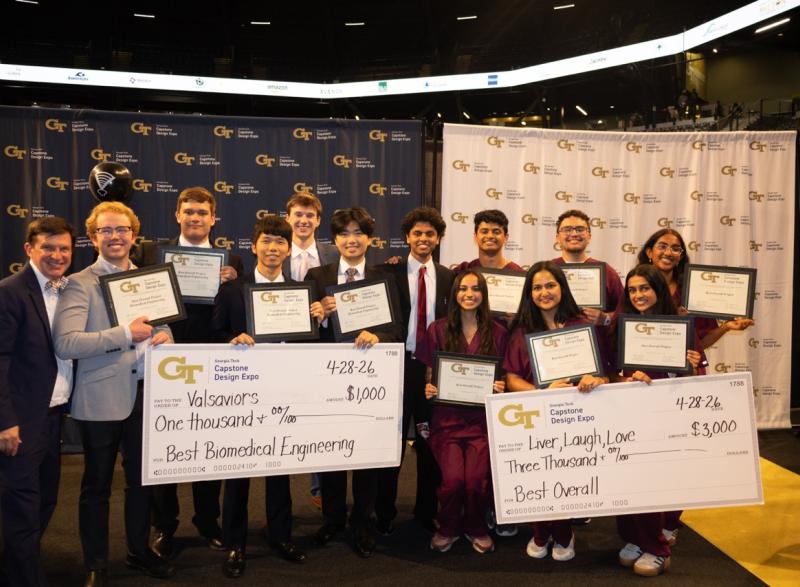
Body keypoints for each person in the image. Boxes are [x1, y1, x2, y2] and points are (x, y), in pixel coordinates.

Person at [53, 202, 174, 585]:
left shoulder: (152, 280)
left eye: (122, 230)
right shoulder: (78, 282)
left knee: (141, 483)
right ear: (93, 238)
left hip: (147, 396)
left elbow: (165, 331)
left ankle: (139, 551)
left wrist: (166, 336)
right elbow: (67, 342)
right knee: (96, 486)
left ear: (134, 236)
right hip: (101, 398)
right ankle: (96, 563)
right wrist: (124, 335)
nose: (115, 237)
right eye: (106, 231)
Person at [131, 186, 243, 557]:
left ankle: (208, 521)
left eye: (202, 213)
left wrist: (233, 280)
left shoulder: (231, 263)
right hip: (165, 362)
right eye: (189, 212)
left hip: (211, 363)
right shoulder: (150, 253)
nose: (195, 218)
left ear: (214, 219)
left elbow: (235, 315)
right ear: (177, 215)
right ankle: (164, 527)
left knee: (208, 447)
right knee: (165, 448)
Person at [212, 215, 324, 578]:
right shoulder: (232, 290)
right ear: (254, 245)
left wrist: (318, 320)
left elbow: (310, 343)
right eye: (267, 241)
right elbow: (214, 335)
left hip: (284, 390)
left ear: (288, 248)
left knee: (280, 467)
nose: (273, 248)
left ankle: (280, 535)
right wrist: (231, 341)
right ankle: (235, 543)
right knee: (239, 470)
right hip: (242, 391)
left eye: (280, 242)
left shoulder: (301, 292)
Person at [305, 207, 403, 558]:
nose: (352, 239)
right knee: (330, 452)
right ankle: (332, 518)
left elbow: (396, 328)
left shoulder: (385, 277)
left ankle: (363, 521)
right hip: (328, 381)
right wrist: (317, 315)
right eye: (344, 234)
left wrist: (379, 337)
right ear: (335, 241)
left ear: (369, 239)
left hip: (370, 383)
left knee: (366, 455)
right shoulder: (317, 276)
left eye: (358, 233)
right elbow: (301, 331)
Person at [504, 261, 608, 562]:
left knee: (566, 473)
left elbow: (603, 373)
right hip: (535, 414)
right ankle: (541, 530)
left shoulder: (582, 326)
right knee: (539, 475)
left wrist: (594, 379)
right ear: (529, 293)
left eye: (550, 285)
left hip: (577, 415)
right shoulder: (522, 331)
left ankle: (561, 532)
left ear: (562, 287)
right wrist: (541, 392)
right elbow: (512, 379)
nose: (544, 292)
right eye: (537, 287)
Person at [614, 264, 703, 577]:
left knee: (653, 485)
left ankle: (657, 548)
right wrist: (623, 380)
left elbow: (698, 377)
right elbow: (611, 371)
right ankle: (635, 538)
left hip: (665, 417)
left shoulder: (680, 325)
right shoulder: (619, 326)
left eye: (645, 288)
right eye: (633, 290)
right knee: (626, 484)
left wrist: (690, 366)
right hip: (626, 416)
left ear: (658, 290)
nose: (639, 295)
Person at [0, 217, 74, 587]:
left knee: (45, 500)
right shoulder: (9, 291)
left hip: (54, 415)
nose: (57, 255)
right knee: (22, 507)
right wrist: (5, 421)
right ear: (29, 249)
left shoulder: (70, 290)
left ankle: (19, 564)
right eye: (48, 247)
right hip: (21, 420)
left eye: (63, 248)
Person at [375, 207, 454, 535]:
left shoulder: (449, 277)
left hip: (431, 370)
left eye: (430, 234)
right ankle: (383, 513)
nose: (423, 239)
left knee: (428, 443)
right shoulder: (387, 272)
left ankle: (426, 511)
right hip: (395, 366)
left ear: (438, 239)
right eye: (417, 233)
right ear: (407, 237)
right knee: (390, 443)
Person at [418, 271, 508, 554]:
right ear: (454, 294)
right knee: (454, 481)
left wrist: (500, 386)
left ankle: (475, 526)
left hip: (482, 422)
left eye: (476, 288)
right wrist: (430, 388)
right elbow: (430, 374)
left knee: (476, 483)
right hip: (447, 420)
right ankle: (448, 527)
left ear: (484, 293)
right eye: (463, 289)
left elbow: (504, 375)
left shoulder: (499, 332)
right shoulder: (438, 329)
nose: (469, 294)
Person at [281, 192, 339, 512]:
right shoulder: (274, 250)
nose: (303, 221)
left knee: (322, 418)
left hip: (324, 346)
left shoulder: (333, 253)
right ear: (288, 217)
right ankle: (280, 500)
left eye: (309, 216)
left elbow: (350, 292)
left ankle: (321, 487)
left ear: (318, 220)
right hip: (285, 347)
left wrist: (335, 305)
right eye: (297, 215)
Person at [637, 229, 753, 350]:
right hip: (644, 368)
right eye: (662, 246)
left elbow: (700, 344)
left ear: (680, 256)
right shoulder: (635, 290)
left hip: (689, 366)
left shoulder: (693, 290)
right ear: (649, 252)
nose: (668, 253)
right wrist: (674, 320)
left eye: (676, 249)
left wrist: (726, 327)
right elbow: (629, 336)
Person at [550, 209, 623, 327]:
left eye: (580, 229)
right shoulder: (547, 270)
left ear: (589, 236)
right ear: (557, 237)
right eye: (567, 229)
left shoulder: (606, 272)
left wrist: (605, 318)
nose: (574, 234)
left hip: (598, 343)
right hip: (557, 342)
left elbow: (625, 311)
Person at [452, 210, 523, 273]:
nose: (490, 236)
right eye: (484, 231)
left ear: (506, 238)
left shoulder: (518, 274)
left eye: (496, 232)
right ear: (475, 237)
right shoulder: (463, 271)